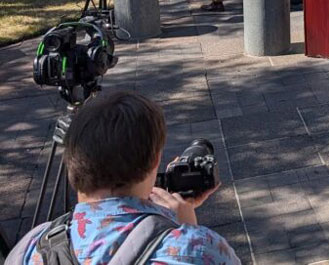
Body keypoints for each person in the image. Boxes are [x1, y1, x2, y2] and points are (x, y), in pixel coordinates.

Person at [5, 91, 239, 264]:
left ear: (70, 162)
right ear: (156, 160)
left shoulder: (29, 248)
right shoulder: (197, 250)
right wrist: (188, 230)